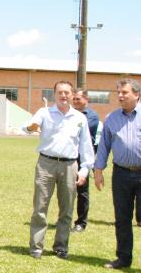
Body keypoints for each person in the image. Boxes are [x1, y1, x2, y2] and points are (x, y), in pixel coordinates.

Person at [23, 81, 94, 259]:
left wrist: (85, 170)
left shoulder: (79, 118)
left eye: (67, 93)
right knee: (40, 206)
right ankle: (36, 246)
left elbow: (86, 146)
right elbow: (28, 126)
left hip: (70, 166)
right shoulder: (44, 113)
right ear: (54, 94)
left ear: (72, 95)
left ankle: (61, 246)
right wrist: (31, 127)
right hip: (46, 164)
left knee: (67, 209)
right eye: (60, 92)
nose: (63, 96)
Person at [94, 78, 141, 269]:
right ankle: (123, 258)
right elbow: (104, 146)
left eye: (125, 92)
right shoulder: (111, 118)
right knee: (122, 217)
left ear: (137, 95)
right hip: (121, 174)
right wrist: (98, 170)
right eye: (118, 93)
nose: (120, 96)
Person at [71, 88, 100, 232]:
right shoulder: (68, 115)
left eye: (78, 99)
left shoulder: (92, 116)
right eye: (74, 99)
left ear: (86, 100)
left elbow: (79, 131)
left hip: (83, 158)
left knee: (82, 191)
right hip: (68, 157)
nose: (75, 101)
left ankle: (81, 222)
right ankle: (64, 218)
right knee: (67, 190)